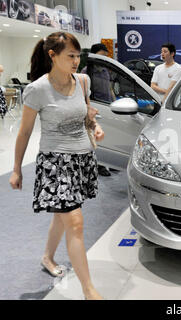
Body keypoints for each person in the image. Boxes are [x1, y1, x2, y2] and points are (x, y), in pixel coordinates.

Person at [9, 32, 105, 300]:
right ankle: (89, 291)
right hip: (55, 163)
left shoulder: (82, 82)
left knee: (64, 216)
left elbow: (86, 116)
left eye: (78, 56)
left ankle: (47, 257)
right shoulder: (38, 89)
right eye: (70, 56)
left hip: (81, 160)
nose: (76, 61)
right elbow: (24, 132)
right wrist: (16, 169)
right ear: (52, 56)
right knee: (74, 221)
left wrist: (95, 127)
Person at [81, 43, 115, 176]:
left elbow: (110, 88)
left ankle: (112, 163)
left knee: (110, 136)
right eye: (101, 56)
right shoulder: (86, 72)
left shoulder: (106, 70)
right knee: (96, 138)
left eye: (105, 56)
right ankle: (99, 165)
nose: (104, 59)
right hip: (96, 108)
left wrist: (114, 100)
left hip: (108, 106)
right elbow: (84, 94)